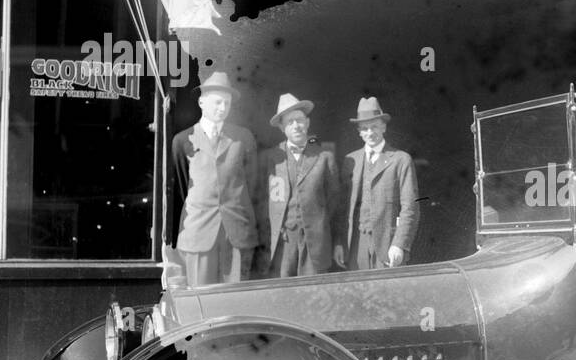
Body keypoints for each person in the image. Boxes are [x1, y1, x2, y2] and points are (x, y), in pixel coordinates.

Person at [169, 70, 259, 285]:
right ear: (202, 102)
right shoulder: (183, 140)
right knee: (200, 301)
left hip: (235, 233)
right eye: (218, 103)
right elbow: (180, 187)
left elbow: (253, 184)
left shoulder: (242, 138)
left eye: (227, 104)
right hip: (198, 233)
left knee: (234, 302)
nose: (222, 108)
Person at [258, 93, 341, 277]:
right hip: (282, 244)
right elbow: (262, 204)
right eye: (289, 122)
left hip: (316, 245)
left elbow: (335, 205)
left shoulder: (324, 158)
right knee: (283, 297)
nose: (296, 126)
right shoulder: (271, 158)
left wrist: (335, 241)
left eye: (299, 120)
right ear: (281, 127)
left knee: (314, 297)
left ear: (308, 123)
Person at [336, 96, 420, 270]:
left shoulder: (400, 159)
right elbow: (342, 208)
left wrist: (399, 244)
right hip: (356, 244)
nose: (370, 132)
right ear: (359, 131)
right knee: (358, 293)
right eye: (365, 128)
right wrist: (339, 242)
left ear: (384, 126)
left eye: (374, 126)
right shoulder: (351, 160)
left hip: (387, 245)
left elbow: (410, 207)